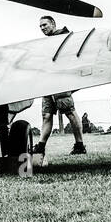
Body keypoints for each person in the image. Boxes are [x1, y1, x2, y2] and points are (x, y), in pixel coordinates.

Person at [36, 15, 86, 155]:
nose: (42, 28)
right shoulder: (47, 42)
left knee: (69, 112)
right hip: (48, 83)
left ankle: (80, 145)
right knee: (46, 115)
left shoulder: (64, 37)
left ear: (53, 24)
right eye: (40, 26)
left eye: (45, 25)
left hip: (61, 81)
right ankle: (40, 147)